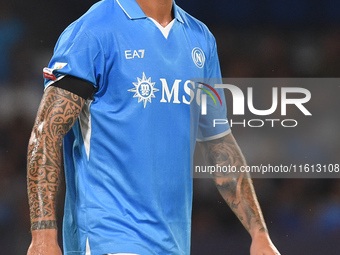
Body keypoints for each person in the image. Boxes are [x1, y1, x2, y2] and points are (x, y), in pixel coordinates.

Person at [26, 0, 280, 254]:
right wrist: (43, 237)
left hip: (174, 243)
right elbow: (46, 132)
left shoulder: (201, 39)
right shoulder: (95, 29)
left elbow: (218, 144)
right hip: (109, 237)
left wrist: (259, 234)